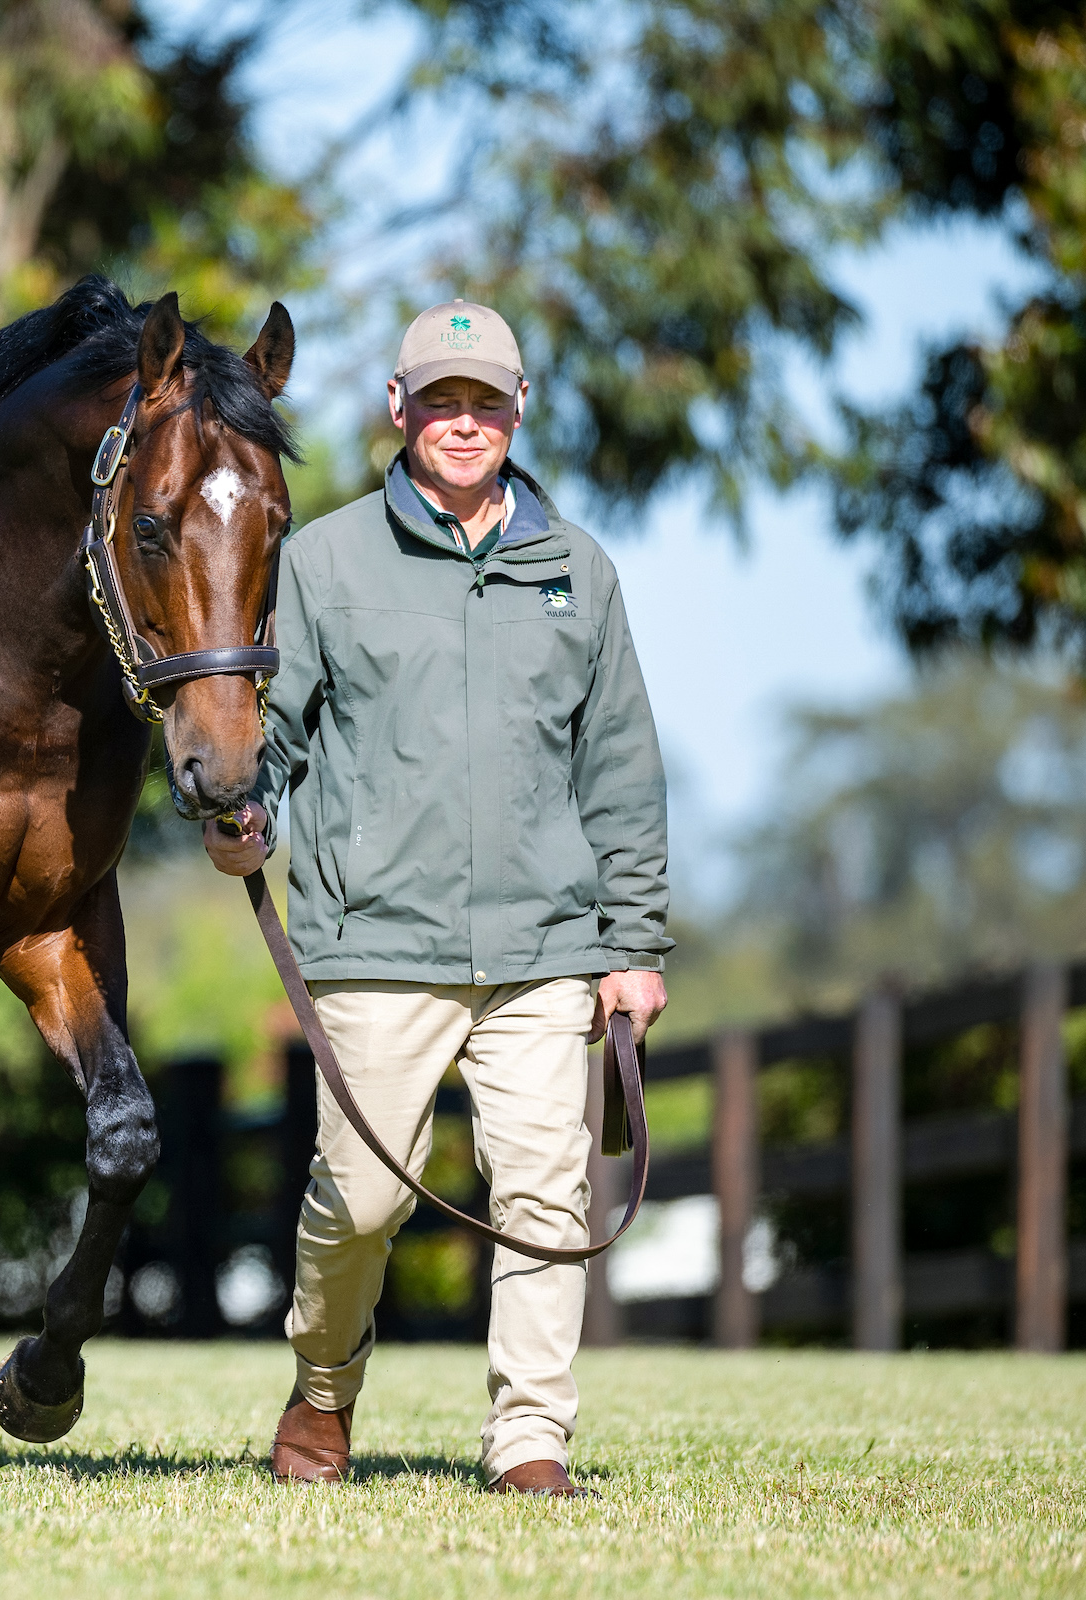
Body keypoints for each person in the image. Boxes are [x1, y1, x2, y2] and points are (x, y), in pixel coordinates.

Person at [203, 298, 670, 1497]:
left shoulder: (581, 570)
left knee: (544, 1190)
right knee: (357, 1199)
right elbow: (278, 736)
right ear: (399, 410)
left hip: (544, 946)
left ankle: (529, 1439)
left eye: (487, 401)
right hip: (374, 943)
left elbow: (617, 766)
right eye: (442, 401)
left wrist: (634, 943)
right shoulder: (323, 560)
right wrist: (244, 812)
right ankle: (321, 1389)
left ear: (521, 412)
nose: (465, 423)